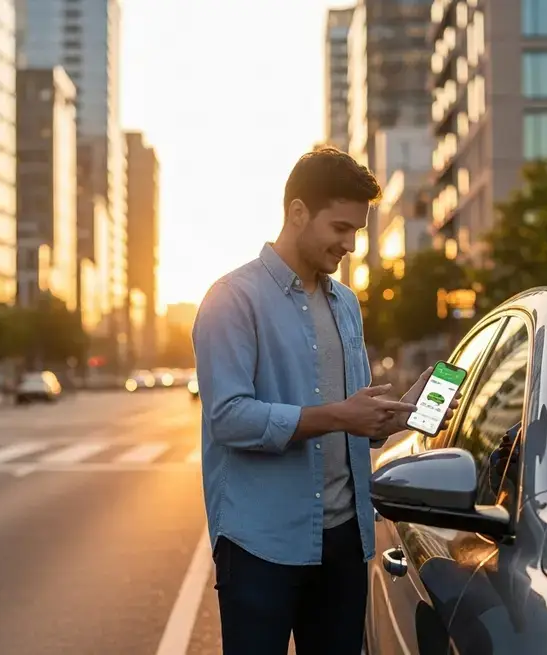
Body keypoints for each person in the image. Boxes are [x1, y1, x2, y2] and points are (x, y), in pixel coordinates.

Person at [192, 147, 460, 655]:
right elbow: (228, 418)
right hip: (259, 545)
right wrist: (340, 415)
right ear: (297, 213)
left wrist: (399, 409)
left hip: (343, 540)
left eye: (357, 231)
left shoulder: (346, 304)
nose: (351, 245)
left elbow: (354, 420)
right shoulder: (232, 298)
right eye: (341, 228)